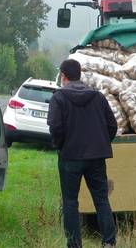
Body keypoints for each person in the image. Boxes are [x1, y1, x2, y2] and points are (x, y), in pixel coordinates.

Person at [47, 59, 118, 248]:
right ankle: (109, 243)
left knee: (70, 202)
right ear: (80, 75)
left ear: (63, 76)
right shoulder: (98, 97)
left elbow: (55, 127)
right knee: (101, 199)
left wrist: (60, 145)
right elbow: (113, 125)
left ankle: (74, 244)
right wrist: (101, 143)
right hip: (96, 157)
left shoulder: (58, 98)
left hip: (70, 157)